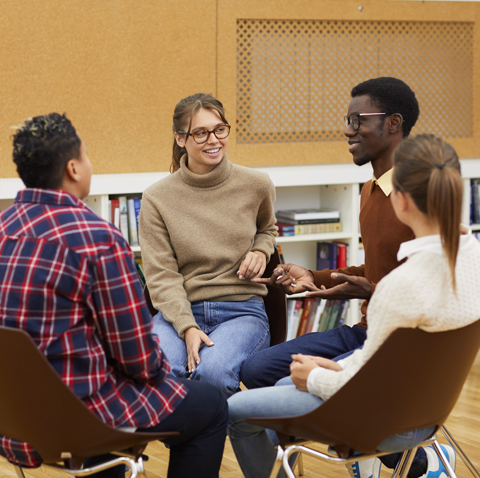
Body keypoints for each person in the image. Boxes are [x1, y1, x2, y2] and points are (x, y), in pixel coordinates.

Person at [228, 133, 476, 478]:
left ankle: (389, 460)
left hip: (383, 420)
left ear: (400, 201)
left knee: (238, 410)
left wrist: (314, 374)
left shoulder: (401, 286)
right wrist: (328, 368)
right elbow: (378, 363)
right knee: (277, 385)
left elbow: (365, 383)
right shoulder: (472, 257)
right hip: (427, 411)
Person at [0, 113, 227, 478]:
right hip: (82, 417)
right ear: (74, 168)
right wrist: (164, 373)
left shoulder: (3, 228)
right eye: (88, 156)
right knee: (212, 404)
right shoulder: (97, 238)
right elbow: (138, 357)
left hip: (14, 417)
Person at [240, 76, 423, 478]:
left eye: (358, 121)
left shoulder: (422, 193)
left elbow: (435, 286)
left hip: (400, 342)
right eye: (347, 119)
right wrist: (315, 276)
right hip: (364, 329)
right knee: (255, 370)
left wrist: (374, 291)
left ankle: (393, 451)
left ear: (393, 124)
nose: (347, 130)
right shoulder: (369, 191)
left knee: (282, 397)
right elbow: (373, 271)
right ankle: (374, 443)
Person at [138, 93, 277, 398]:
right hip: (180, 310)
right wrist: (187, 327)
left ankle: (213, 442)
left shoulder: (256, 184)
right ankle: (188, 445)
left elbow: (267, 229)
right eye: (200, 133)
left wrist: (260, 250)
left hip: (242, 309)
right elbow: (161, 276)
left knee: (213, 374)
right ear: (180, 139)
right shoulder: (157, 198)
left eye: (220, 129)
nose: (213, 140)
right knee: (157, 373)